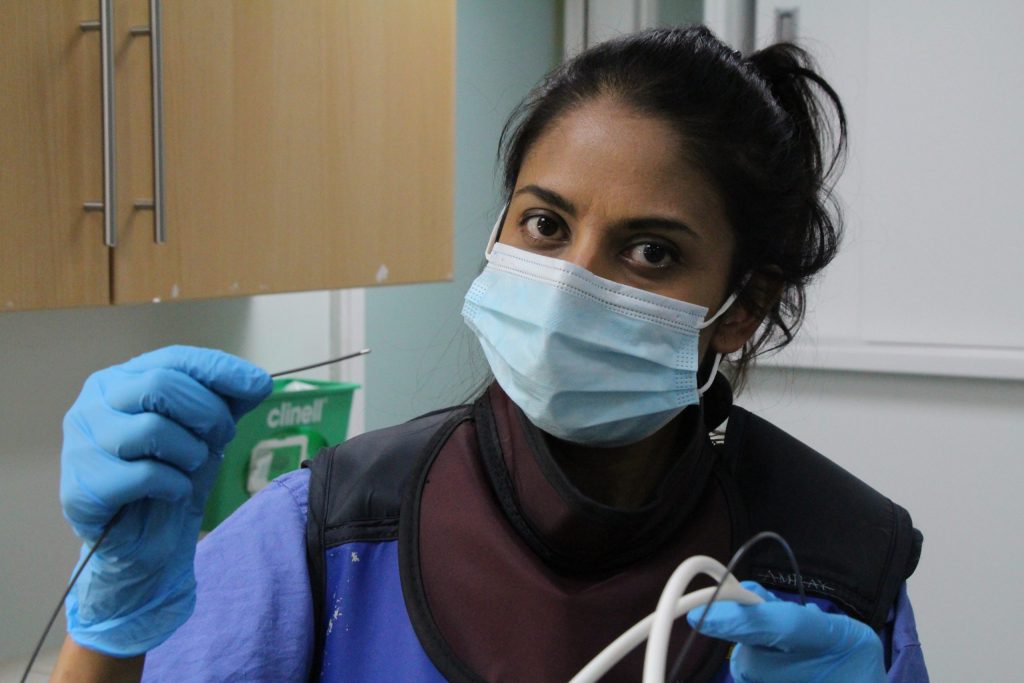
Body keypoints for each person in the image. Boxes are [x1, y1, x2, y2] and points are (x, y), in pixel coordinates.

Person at [53, 26, 928, 682]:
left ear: (744, 309)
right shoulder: (332, 530)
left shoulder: (838, 564)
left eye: (651, 251)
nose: (570, 285)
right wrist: (115, 618)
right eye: (545, 224)